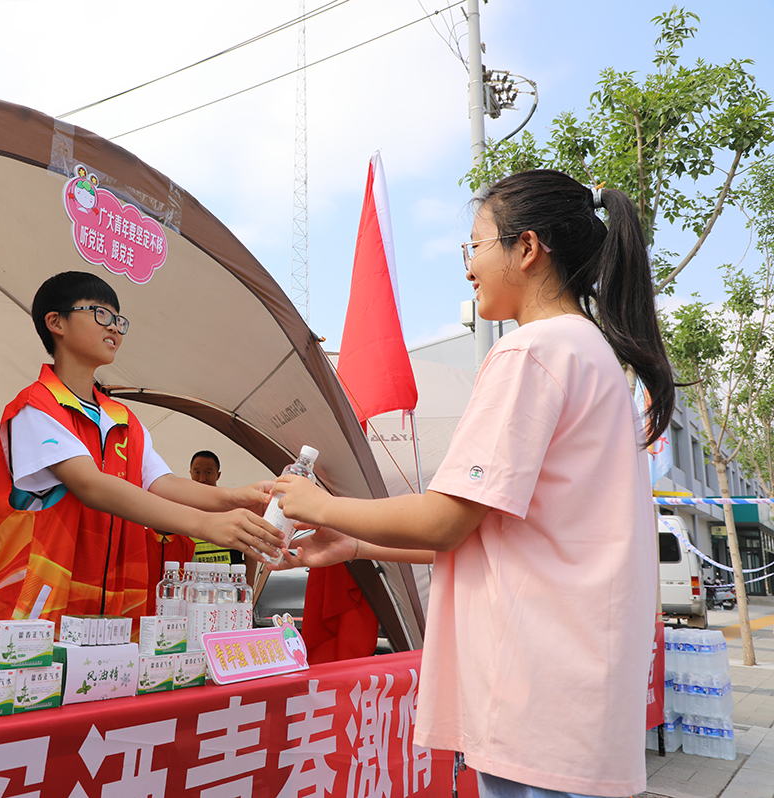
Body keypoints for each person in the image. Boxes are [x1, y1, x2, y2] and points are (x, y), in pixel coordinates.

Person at [271, 170, 674, 798]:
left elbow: (447, 520)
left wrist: (322, 503)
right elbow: (489, 533)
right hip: (573, 690)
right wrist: (354, 546)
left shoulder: (530, 354)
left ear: (527, 247)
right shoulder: (590, 353)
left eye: (476, 245)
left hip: (535, 691)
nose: (469, 268)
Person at [0, 271, 282, 630]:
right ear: (55, 322)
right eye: (100, 313)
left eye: (119, 319)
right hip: (37, 611)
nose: (115, 328)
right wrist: (207, 524)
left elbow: (162, 482)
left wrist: (236, 497)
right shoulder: (34, 408)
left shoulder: (121, 418)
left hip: (114, 609)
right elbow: (91, 486)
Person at [186, 450, 258, 584]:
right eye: (197, 472)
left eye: (208, 472)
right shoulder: (181, 510)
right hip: (195, 587)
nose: (202, 478)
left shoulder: (233, 508)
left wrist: (249, 582)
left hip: (229, 586)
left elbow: (250, 550)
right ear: (190, 473)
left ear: (218, 475)